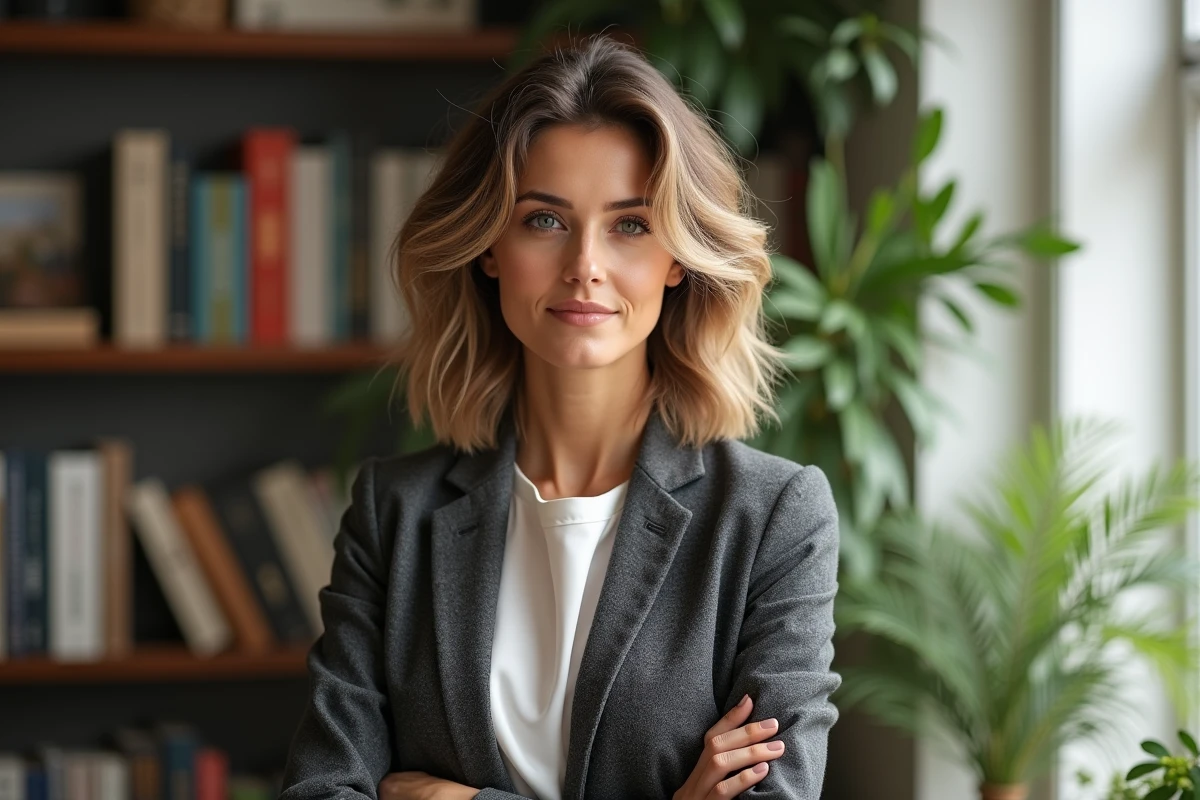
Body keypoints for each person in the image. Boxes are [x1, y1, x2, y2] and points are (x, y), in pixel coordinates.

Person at [278, 33, 841, 800]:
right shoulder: (394, 515)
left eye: (631, 224)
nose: (585, 267)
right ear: (489, 245)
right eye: (544, 220)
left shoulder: (773, 516)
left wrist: (457, 799)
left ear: (679, 257)